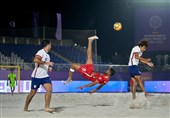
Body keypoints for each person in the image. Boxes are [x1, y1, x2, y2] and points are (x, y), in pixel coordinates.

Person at [24, 40, 54, 112]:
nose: (51, 46)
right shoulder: (41, 52)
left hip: (45, 76)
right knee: (32, 93)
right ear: (48, 45)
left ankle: (46, 107)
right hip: (36, 76)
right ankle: (26, 107)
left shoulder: (48, 55)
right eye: (50, 44)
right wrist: (47, 63)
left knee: (49, 90)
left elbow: (45, 64)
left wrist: (49, 67)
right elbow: (35, 60)